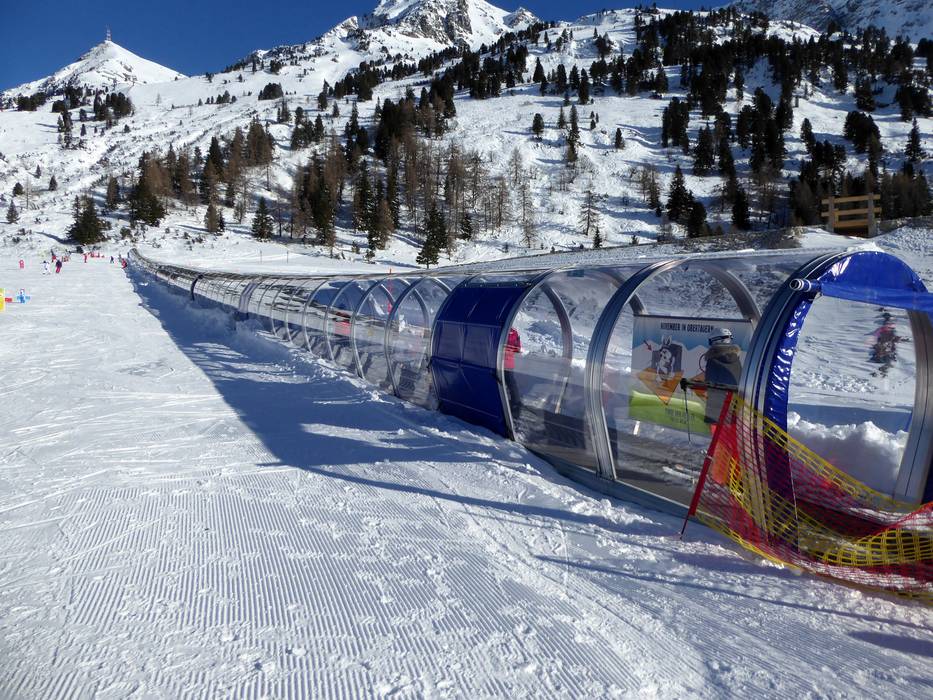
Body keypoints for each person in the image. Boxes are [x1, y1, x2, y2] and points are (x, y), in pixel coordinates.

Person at [701, 328, 742, 427]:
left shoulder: (713, 360)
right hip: (733, 404)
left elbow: (709, 382)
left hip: (716, 406)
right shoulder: (736, 360)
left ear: (715, 340)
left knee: (715, 431)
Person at [503, 326, 523, 410]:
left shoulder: (500, 329)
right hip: (508, 362)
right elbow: (518, 349)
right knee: (511, 383)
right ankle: (516, 401)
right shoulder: (514, 332)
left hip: (497, 361)